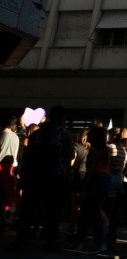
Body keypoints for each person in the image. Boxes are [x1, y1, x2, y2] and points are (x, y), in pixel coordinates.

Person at [15, 105, 76, 251]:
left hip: (35, 177)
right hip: (55, 177)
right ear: (62, 118)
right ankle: (50, 238)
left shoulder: (38, 134)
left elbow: (28, 156)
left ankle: (23, 236)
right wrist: (66, 176)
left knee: (30, 207)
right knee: (53, 209)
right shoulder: (64, 134)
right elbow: (69, 157)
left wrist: (24, 176)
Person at [70, 126, 112, 254]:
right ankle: (79, 240)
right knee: (88, 212)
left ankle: (99, 242)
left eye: (91, 134)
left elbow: (90, 171)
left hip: (95, 181)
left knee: (91, 213)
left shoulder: (94, 151)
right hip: (104, 181)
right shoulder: (106, 150)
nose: (88, 136)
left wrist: (84, 188)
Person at [0, 113, 19, 224]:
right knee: (6, 193)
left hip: (1, 166)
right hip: (10, 167)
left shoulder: (1, 135)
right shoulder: (16, 137)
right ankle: (5, 217)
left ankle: (2, 218)